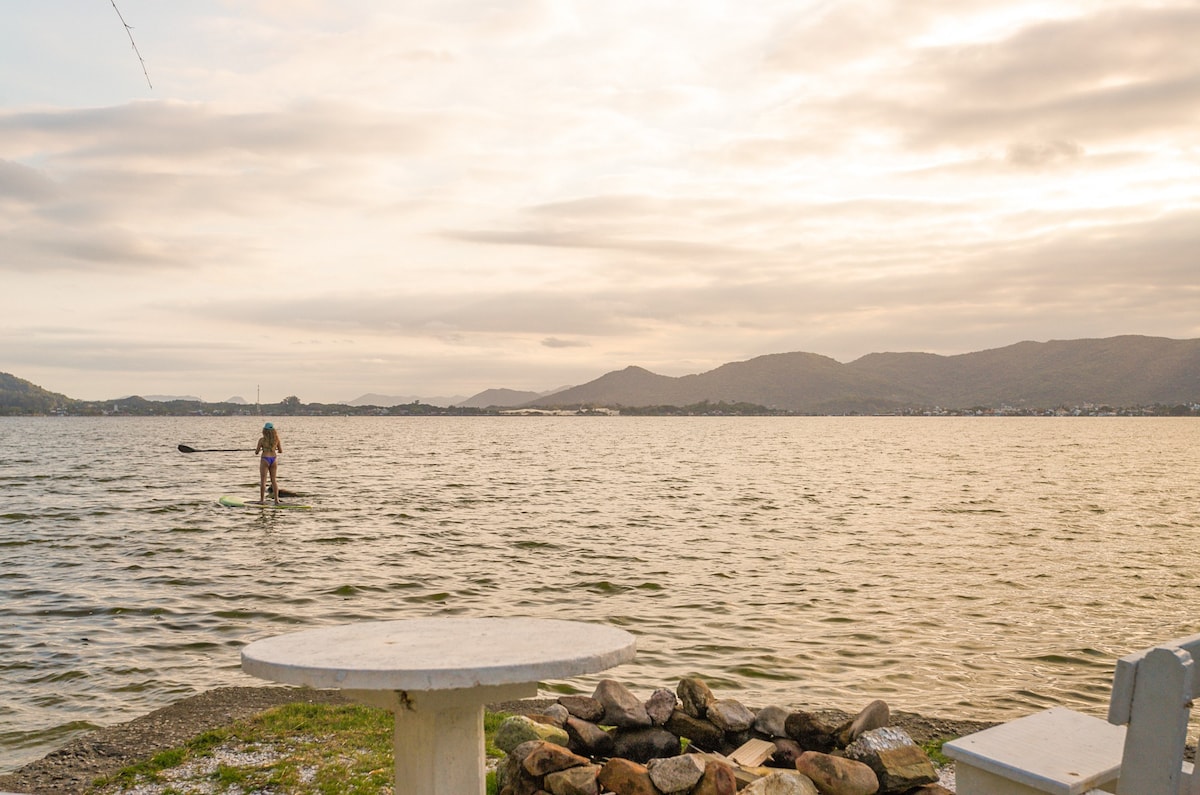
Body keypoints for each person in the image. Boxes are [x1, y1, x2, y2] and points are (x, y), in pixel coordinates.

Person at [255, 422, 283, 504]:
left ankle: (262, 500)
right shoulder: (277, 439)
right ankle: (276, 500)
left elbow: (256, 452)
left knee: (263, 480)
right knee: (273, 480)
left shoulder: (262, 440)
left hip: (265, 459)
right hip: (273, 459)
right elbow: (280, 451)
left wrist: (260, 449)